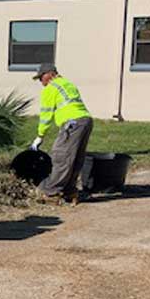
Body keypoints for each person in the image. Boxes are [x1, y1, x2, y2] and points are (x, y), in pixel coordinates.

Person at [29, 63, 92, 206]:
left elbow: (46, 115)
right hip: (85, 121)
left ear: (50, 74)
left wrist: (40, 136)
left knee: (61, 156)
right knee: (75, 158)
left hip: (72, 123)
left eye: (42, 78)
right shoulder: (68, 84)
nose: (41, 82)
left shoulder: (51, 88)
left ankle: (51, 193)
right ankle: (69, 191)